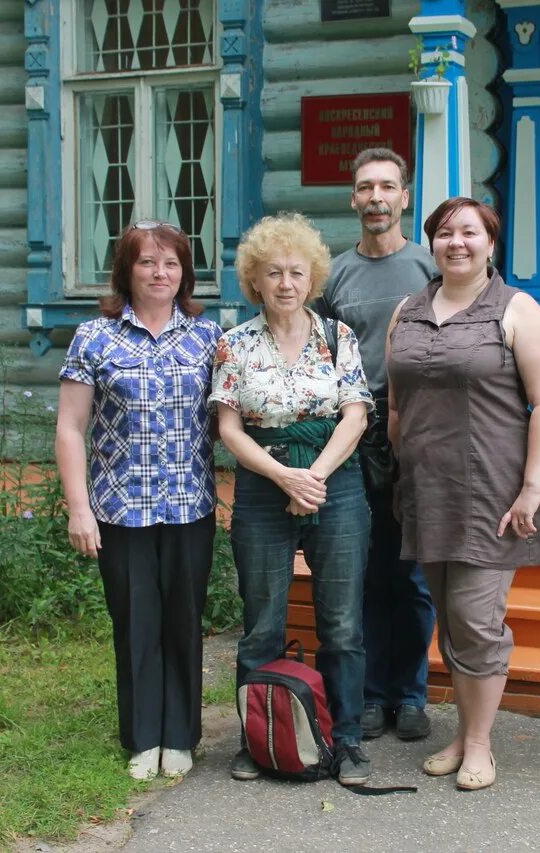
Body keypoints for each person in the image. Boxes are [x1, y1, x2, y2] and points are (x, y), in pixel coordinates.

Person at [387, 197, 540, 791]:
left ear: (491, 243)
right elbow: (395, 404)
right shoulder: (407, 310)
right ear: (431, 243)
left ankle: (481, 745)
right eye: (443, 233)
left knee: (476, 619)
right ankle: (463, 734)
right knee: (451, 621)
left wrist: (533, 488)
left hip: (492, 492)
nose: (455, 242)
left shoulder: (517, 310)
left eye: (469, 232)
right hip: (425, 489)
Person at [211, 212, 376, 786]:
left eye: (296, 273)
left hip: (338, 482)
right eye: (273, 272)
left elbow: (355, 414)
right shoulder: (234, 344)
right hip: (262, 485)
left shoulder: (339, 338)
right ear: (255, 280)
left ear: (313, 279)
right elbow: (229, 428)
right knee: (262, 621)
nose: (285, 283)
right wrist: (285, 477)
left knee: (343, 621)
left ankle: (346, 738)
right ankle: (257, 739)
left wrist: (316, 479)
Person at [55, 221, 223, 781]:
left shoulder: (207, 337)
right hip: (120, 508)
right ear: (127, 270)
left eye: (171, 263)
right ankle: (142, 735)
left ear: (185, 273)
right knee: (134, 620)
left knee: (182, 618)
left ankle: (180, 735)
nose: (160, 273)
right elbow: (71, 427)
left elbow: (231, 421)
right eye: (148, 263)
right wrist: (79, 507)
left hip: (189, 506)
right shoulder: (94, 338)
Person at [315, 147, 437, 742]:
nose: (376, 198)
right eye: (365, 188)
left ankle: (409, 694)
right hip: (350, 428)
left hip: (417, 426)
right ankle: (364, 694)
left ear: (405, 197)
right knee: (359, 568)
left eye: (387, 187)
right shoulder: (335, 276)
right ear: (353, 199)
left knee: (411, 571)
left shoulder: (428, 269)